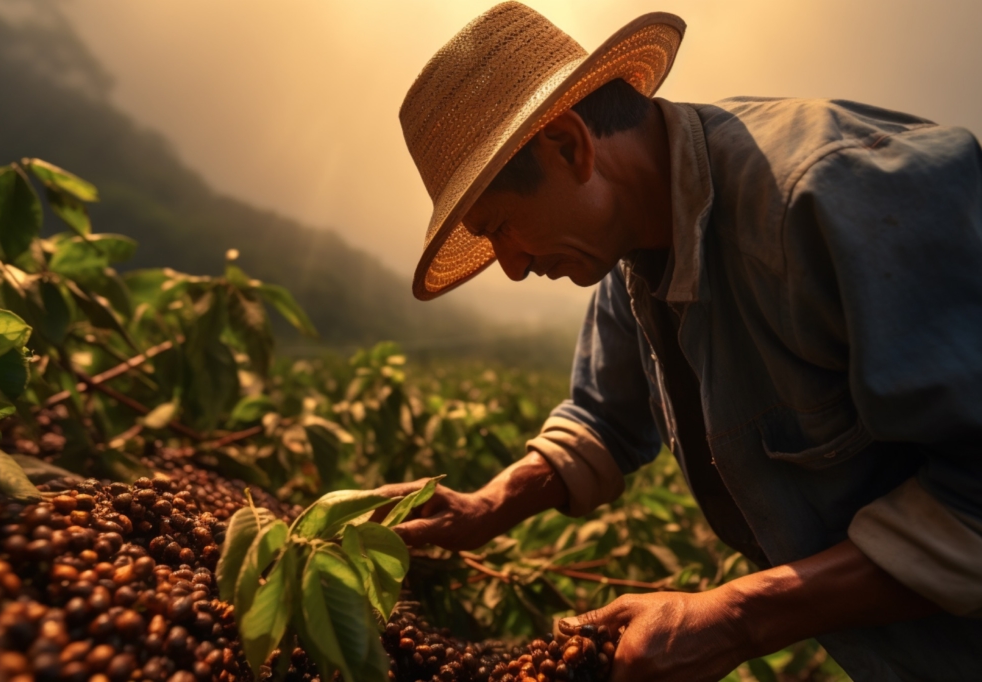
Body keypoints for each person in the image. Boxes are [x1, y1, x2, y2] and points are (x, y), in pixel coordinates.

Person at [377, 3, 982, 680]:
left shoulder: (834, 196)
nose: (512, 265)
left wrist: (736, 617)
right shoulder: (627, 248)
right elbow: (605, 419)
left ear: (571, 146)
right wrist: (486, 508)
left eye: (500, 227)